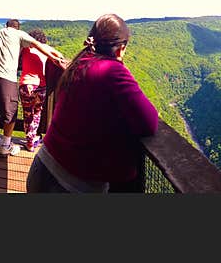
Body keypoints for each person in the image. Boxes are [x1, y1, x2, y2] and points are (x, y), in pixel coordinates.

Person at [26, 14, 158, 193]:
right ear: (121, 48)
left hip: (42, 168)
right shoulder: (113, 71)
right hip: (72, 186)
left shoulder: (79, 62)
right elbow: (149, 122)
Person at [0, 19, 65, 157]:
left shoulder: (1, 33)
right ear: (18, 28)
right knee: (17, 113)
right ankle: (12, 144)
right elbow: (41, 46)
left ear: (6, 26)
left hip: (0, 77)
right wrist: (54, 58)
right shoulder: (22, 35)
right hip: (22, 81)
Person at [19, 28, 52, 151]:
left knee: (28, 114)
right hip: (41, 86)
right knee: (37, 113)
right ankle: (32, 140)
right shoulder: (46, 49)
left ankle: (29, 141)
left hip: (26, 85)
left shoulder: (26, 49)